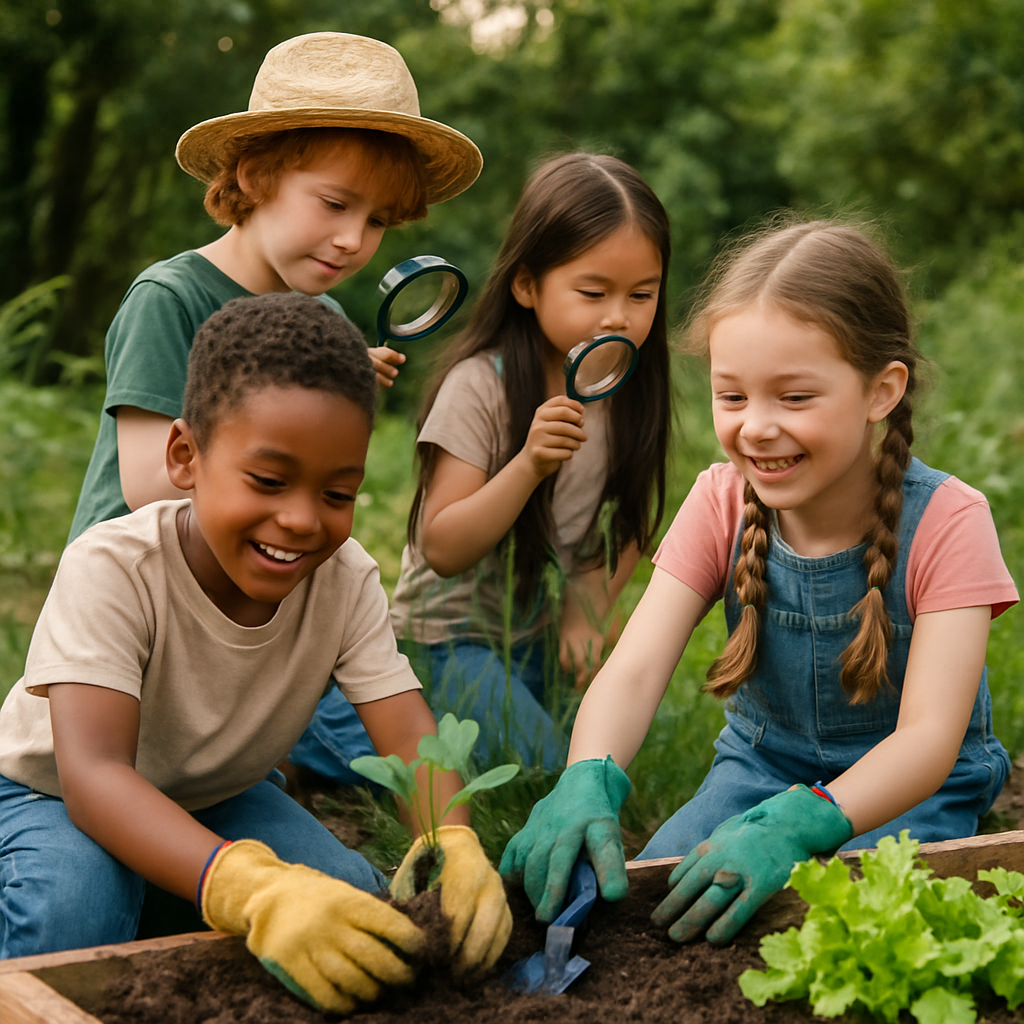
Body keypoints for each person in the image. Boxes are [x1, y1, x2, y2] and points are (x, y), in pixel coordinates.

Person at [501, 218, 1018, 945]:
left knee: (849, 927)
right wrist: (586, 774)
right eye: (733, 397)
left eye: (795, 398)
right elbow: (637, 669)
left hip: (907, 784)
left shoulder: (948, 521)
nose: (757, 428)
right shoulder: (719, 500)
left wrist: (809, 822)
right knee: (660, 911)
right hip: (761, 767)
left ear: (881, 390)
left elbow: (930, 739)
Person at [0, 294, 510, 1010]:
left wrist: (450, 839)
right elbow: (94, 777)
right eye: (268, 482)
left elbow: (405, 731)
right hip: (47, 792)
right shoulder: (114, 567)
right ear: (186, 456)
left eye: (338, 492)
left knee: (353, 907)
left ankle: (161, 892)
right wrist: (250, 887)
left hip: (216, 795)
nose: (301, 520)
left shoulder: (344, 579)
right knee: (73, 917)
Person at [64, 31, 482, 791]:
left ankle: (253, 761)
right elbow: (148, 485)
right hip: (147, 612)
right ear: (255, 176)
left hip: (255, 604)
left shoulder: (313, 312)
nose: (355, 239)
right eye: (334, 203)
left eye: (379, 220)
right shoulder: (171, 298)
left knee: (439, 755)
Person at [388, 153, 672, 771]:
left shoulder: (627, 391)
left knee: (604, 751)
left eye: (641, 293)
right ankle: (346, 725)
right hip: (444, 639)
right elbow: (442, 546)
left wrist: (586, 613)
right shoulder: (479, 387)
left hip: (534, 636)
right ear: (526, 286)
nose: (618, 316)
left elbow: (628, 517)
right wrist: (527, 466)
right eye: (593, 292)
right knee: (547, 773)